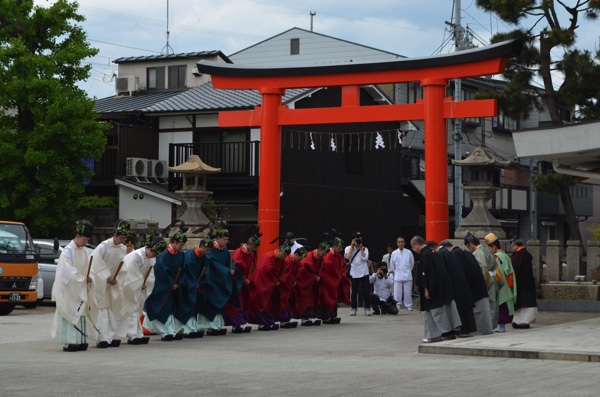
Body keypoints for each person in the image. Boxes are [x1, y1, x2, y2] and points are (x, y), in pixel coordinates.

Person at [51, 219, 100, 352]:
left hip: (80, 287)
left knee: (81, 312)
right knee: (71, 312)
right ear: (77, 236)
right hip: (69, 289)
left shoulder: (84, 251)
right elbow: (66, 273)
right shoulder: (67, 251)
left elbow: (89, 269)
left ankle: (81, 340)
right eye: (84, 239)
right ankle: (70, 341)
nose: (86, 242)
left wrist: (89, 278)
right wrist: (82, 279)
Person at [112, 236, 167, 345]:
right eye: (154, 253)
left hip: (139, 286)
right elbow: (130, 274)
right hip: (129, 286)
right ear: (149, 249)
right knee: (130, 309)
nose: (155, 256)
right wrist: (138, 283)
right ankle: (131, 335)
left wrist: (146, 283)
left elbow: (150, 274)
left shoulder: (151, 258)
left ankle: (138, 333)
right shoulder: (135, 257)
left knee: (137, 309)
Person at [87, 219, 131, 348]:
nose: (122, 240)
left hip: (113, 283)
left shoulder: (123, 249)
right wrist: (106, 278)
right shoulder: (103, 246)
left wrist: (116, 279)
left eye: (124, 238)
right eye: (121, 237)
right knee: (102, 309)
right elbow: (95, 264)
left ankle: (112, 336)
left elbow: (123, 267)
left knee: (112, 308)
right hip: (101, 282)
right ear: (115, 235)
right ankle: (102, 337)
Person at [411, 236, 461, 343]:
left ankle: (445, 332)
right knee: (431, 313)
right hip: (440, 286)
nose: (414, 250)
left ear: (416, 244)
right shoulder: (432, 252)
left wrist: (426, 289)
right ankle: (434, 334)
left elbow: (425, 274)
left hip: (432, 289)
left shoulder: (425, 255)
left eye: (413, 248)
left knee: (436, 312)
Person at [143, 231, 187, 341]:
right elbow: (160, 270)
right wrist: (169, 283)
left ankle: (171, 330)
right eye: (180, 244)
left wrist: (179, 284)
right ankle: (164, 332)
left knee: (171, 309)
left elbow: (184, 270)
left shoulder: (181, 255)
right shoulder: (164, 253)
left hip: (173, 287)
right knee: (163, 307)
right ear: (174, 242)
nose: (182, 247)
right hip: (163, 286)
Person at [448, 242, 493, 335]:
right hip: (480, 284)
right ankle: (485, 330)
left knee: (473, 312)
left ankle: (474, 331)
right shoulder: (468, 253)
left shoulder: (454, 255)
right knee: (482, 311)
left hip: (468, 286)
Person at [247, 244, 292, 330]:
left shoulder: (281, 260)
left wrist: (280, 280)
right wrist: (274, 281)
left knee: (268, 304)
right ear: (279, 250)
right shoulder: (268, 257)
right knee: (261, 302)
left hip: (271, 285)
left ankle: (268, 321)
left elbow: (285, 271)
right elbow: (265, 271)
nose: (284, 257)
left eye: (286, 256)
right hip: (261, 283)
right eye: (284, 255)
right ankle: (261, 323)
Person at [224, 233, 262, 334]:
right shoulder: (238, 253)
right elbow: (237, 268)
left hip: (245, 282)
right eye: (254, 246)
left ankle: (241, 323)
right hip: (237, 281)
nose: (254, 249)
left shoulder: (251, 254)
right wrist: (244, 278)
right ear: (249, 244)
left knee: (243, 303)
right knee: (237, 303)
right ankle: (236, 325)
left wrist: (250, 279)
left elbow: (253, 268)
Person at [197, 228, 232, 336]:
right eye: (224, 239)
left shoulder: (225, 251)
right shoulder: (211, 249)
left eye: (227, 240)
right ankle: (205, 326)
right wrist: (226, 271)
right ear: (218, 238)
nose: (226, 242)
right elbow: (211, 264)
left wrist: (230, 271)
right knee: (210, 303)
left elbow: (228, 264)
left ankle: (216, 325)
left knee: (219, 304)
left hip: (221, 281)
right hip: (211, 280)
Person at [438, 240, 476, 337]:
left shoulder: (447, 254)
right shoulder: (462, 253)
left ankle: (462, 330)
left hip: (455, 284)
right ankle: (470, 329)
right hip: (463, 282)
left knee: (460, 307)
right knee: (466, 307)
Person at [178, 237, 212, 339]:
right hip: (187, 285)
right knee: (187, 306)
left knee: (194, 306)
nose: (208, 252)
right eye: (207, 249)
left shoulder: (203, 257)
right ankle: (186, 329)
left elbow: (205, 271)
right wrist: (193, 283)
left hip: (194, 284)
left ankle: (192, 327)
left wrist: (200, 282)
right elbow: (186, 272)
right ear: (202, 246)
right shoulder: (190, 255)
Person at [465, 232, 500, 330]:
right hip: (492, 279)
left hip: (487, 281)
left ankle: (489, 326)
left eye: (468, 247)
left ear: (471, 244)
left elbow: (483, 269)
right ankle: (491, 326)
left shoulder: (479, 252)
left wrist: (482, 284)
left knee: (489, 306)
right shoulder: (484, 250)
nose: (469, 249)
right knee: (492, 305)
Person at [485, 233, 517, 333]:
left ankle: (499, 326)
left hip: (502, 285)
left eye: (490, 248)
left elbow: (498, 274)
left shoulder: (497, 257)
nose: (489, 251)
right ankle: (500, 326)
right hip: (507, 284)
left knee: (500, 306)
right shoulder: (505, 256)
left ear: (494, 247)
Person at [295, 241, 329, 326]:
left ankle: (310, 317)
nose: (324, 255)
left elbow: (322, 269)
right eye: (324, 253)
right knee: (304, 299)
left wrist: (319, 276)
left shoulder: (321, 259)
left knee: (312, 299)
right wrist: (313, 277)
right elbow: (303, 270)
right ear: (320, 250)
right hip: (305, 282)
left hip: (312, 283)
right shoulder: (308, 256)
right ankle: (304, 319)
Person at [320, 237, 350, 324]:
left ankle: (333, 316)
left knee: (334, 298)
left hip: (335, 281)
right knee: (327, 298)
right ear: (334, 246)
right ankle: (326, 317)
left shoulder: (338, 257)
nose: (341, 249)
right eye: (340, 247)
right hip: (328, 281)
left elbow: (342, 267)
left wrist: (340, 276)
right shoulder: (328, 255)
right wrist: (336, 276)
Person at [510, 237, 537, 328]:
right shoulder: (526, 254)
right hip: (527, 282)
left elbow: (514, 270)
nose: (511, 248)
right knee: (526, 303)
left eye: (512, 246)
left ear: (516, 245)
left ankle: (520, 321)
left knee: (521, 304)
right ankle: (522, 320)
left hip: (519, 282)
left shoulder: (518, 256)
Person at [345, 231, 371, 316]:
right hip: (354, 272)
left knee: (366, 291)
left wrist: (360, 248)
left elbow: (365, 258)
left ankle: (367, 308)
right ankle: (353, 308)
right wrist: (352, 246)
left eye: (359, 239)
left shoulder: (365, 248)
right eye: (356, 239)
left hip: (364, 272)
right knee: (354, 291)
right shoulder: (348, 248)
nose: (358, 241)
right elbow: (347, 257)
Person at [390, 236, 414, 311]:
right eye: (399, 242)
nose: (401, 243)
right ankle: (397, 304)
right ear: (397, 243)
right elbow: (392, 264)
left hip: (407, 274)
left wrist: (408, 270)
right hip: (398, 274)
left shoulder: (409, 252)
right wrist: (396, 271)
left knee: (408, 291)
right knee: (397, 291)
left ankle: (408, 305)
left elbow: (412, 263)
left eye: (402, 242)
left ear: (404, 243)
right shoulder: (394, 253)